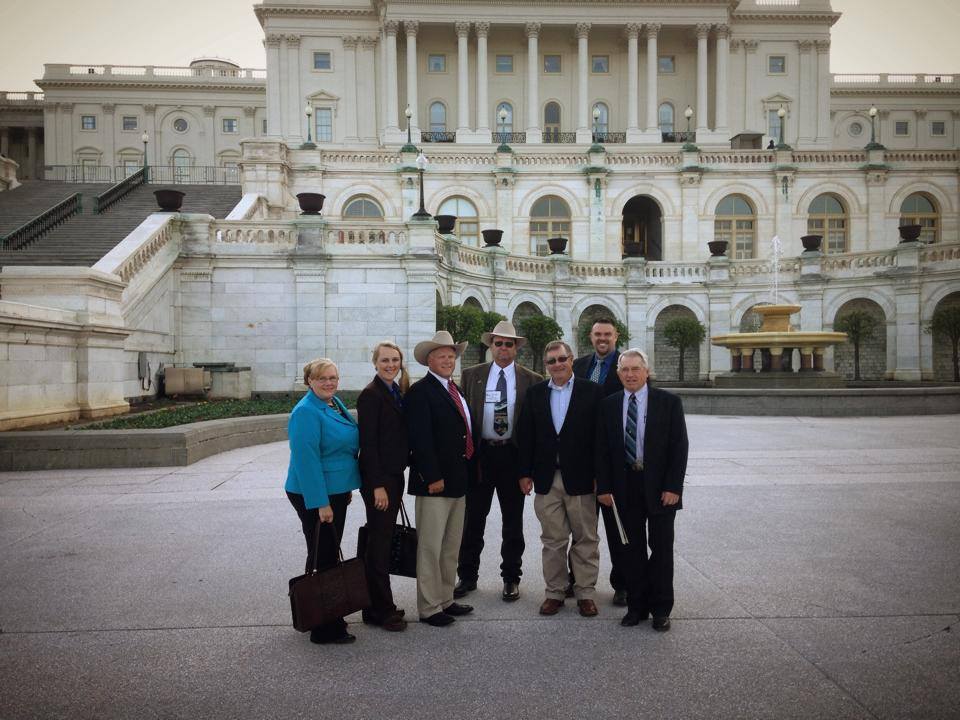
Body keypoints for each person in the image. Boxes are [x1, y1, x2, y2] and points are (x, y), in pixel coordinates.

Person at [595, 349, 689, 632]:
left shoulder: (668, 402)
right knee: (630, 550)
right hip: (624, 489)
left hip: (660, 488)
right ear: (618, 373)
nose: (630, 374)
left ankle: (661, 608)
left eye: (636, 369)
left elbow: (679, 447)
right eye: (625, 369)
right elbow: (602, 451)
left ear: (647, 372)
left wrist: (674, 487)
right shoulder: (609, 405)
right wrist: (604, 487)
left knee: (661, 549)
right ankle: (636, 607)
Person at [455, 320, 542, 602]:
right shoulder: (471, 375)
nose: (503, 348)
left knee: (513, 522)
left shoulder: (532, 380)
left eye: (509, 344)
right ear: (491, 346)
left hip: (513, 456)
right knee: (473, 520)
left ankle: (511, 577)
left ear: (516, 348)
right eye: (498, 343)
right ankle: (467, 575)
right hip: (482, 456)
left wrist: (528, 469)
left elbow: (534, 429)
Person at [517, 340, 604, 618]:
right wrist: (524, 473)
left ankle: (585, 594)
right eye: (551, 361)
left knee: (585, 538)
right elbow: (525, 436)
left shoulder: (592, 393)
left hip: (581, 479)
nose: (557, 365)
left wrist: (599, 476)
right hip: (546, 479)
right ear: (546, 365)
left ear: (572, 360)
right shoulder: (535, 394)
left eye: (562, 359)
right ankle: (554, 592)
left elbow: (601, 441)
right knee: (553, 540)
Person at [285, 358, 361, 645]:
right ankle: (323, 625)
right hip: (314, 493)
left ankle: (327, 613)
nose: (329, 382)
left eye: (333, 377)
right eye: (322, 378)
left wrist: (343, 489)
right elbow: (307, 461)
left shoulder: (332, 403)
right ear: (309, 381)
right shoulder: (305, 412)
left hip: (334, 490)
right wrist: (321, 503)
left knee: (326, 551)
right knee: (324, 555)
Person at [405, 330, 477, 627]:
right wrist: (432, 476)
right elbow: (419, 440)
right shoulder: (421, 392)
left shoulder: (453, 389)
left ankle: (446, 598)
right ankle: (429, 606)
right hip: (435, 484)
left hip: (458, 481)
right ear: (429, 360)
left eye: (451, 356)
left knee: (450, 546)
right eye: (442, 356)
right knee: (430, 547)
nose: (448, 360)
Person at [572, 317, 628, 606]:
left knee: (617, 524)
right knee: (579, 525)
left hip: (612, 459)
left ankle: (622, 583)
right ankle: (576, 579)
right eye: (597, 334)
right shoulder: (579, 366)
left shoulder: (626, 366)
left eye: (607, 334)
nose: (602, 338)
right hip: (581, 459)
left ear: (615, 336)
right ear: (590, 337)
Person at [356, 341, 410, 632]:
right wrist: (378, 486)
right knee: (379, 543)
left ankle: (373, 605)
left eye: (395, 360)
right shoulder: (371, 395)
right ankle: (382, 609)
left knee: (382, 540)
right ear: (375, 363)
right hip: (380, 480)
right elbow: (369, 445)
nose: (391, 364)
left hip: (393, 477)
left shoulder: (394, 391)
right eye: (385, 360)